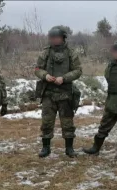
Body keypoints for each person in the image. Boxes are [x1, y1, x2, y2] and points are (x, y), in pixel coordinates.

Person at [35, 26, 82, 158]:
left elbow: (78, 70)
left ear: (63, 38)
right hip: (48, 94)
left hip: (65, 93)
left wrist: (64, 78)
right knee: (47, 122)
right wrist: (45, 76)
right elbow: (37, 69)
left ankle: (69, 148)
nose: (54, 40)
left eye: (57, 37)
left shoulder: (71, 53)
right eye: (52, 38)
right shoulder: (45, 53)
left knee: (67, 122)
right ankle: (45, 147)